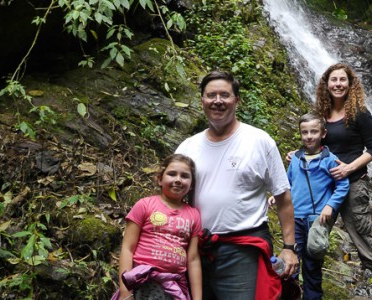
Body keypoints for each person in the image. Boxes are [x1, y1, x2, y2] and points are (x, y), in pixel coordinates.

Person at [175, 70, 298, 300]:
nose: (218, 101)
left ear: (237, 100)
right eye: (211, 95)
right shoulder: (187, 147)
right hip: (196, 249)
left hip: (243, 249)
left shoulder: (259, 141)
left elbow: (283, 198)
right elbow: (172, 202)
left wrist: (289, 248)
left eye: (225, 95)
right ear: (202, 100)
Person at [315, 63, 372, 300]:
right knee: (314, 232)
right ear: (326, 84)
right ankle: (311, 290)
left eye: (342, 80)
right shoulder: (321, 115)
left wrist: (349, 168)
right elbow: (314, 143)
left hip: (354, 182)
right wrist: (297, 155)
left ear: (350, 84)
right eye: (333, 80)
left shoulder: (359, 113)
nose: (338, 84)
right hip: (325, 183)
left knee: (362, 232)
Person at [114, 154, 203, 300]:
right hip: (141, 281)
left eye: (185, 176)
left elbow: (193, 259)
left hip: (174, 287)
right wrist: (125, 292)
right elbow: (127, 248)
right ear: (160, 179)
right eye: (172, 174)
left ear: (192, 184)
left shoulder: (193, 215)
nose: (178, 180)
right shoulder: (145, 205)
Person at [287, 112, 349, 300]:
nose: (309, 136)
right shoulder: (296, 159)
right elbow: (288, 183)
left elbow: (342, 185)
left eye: (314, 131)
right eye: (304, 132)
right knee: (291, 263)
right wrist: (277, 196)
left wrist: (330, 206)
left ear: (323, 133)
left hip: (317, 221)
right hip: (295, 218)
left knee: (312, 265)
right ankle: (292, 294)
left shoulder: (330, 159)